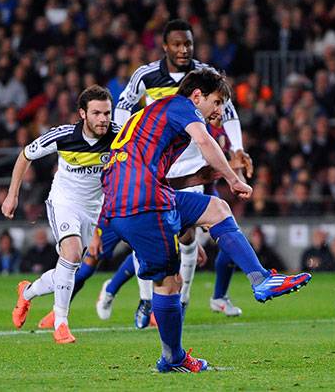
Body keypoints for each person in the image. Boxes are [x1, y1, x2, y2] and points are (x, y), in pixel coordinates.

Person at [94, 69, 311, 372]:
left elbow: (162, 179)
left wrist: (200, 177)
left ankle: (260, 279)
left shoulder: (157, 118)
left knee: (217, 210)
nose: (219, 110)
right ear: (197, 96)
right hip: (140, 203)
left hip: (131, 199)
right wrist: (233, 178)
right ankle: (173, 359)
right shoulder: (181, 106)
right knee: (168, 283)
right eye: (217, 102)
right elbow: (206, 143)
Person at [79, 19, 253, 327]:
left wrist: (236, 150)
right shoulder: (146, 75)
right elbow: (124, 105)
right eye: (177, 44)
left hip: (191, 166)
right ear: (165, 46)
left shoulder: (205, 75)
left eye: (188, 43)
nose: (183, 49)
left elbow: (227, 113)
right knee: (149, 235)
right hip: (151, 166)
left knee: (186, 238)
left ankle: (178, 304)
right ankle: (139, 297)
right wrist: (119, 143)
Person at [6, 85, 119, 343]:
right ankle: (61, 324)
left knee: (68, 267)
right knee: (71, 253)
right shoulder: (64, 136)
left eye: (107, 113)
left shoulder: (118, 136)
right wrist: (13, 195)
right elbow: (25, 155)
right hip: (64, 200)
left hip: (93, 208)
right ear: (82, 114)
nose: (103, 119)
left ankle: (27, 293)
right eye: (97, 113)